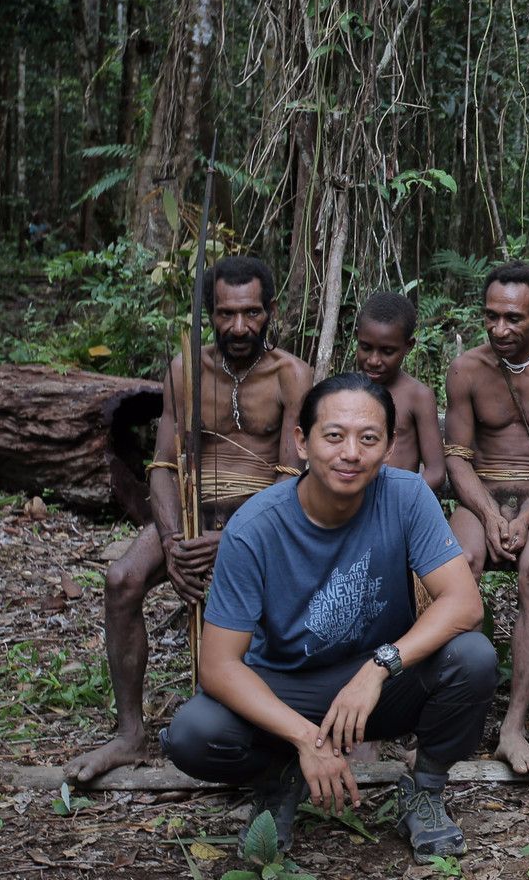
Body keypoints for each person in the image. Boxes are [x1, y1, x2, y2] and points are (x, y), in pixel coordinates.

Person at [160, 374, 496, 862]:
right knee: (194, 733)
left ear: (389, 447)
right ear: (302, 442)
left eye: (369, 438)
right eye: (334, 436)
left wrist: (378, 668)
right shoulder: (254, 528)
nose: (351, 453)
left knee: (472, 657)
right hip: (286, 686)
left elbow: (464, 603)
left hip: (376, 686)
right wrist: (305, 738)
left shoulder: (406, 496)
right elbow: (217, 665)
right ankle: (279, 777)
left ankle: (424, 788)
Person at [68, 256, 313, 782]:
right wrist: (173, 541)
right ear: (209, 313)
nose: (239, 327)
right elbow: (163, 465)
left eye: (251, 313)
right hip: (190, 512)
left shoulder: (292, 375)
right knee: (122, 579)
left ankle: (269, 719)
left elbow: (290, 480)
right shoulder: (186, 369)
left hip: (262, 518)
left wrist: (232, 540)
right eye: (226, 314)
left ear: (270, 311)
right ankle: (130, 735)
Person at [442, 262, 529, 774]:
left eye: (513, 318)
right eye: (492, 316)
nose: (500, 329)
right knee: (456, 565)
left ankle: (513, 727)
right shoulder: (467, 370)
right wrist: (487, 513)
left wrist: (523, 519)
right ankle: (448, 723)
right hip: (481, 493)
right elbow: (457, 457)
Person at [353, 292, 446, 492]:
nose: (374, 360)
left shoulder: (417, 396)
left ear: (408, 346)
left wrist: (400, 500)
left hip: (400, 500)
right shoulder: (345, 392)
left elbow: (436, 472)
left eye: (387, 351)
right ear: (357, 337)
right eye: (366, 347)